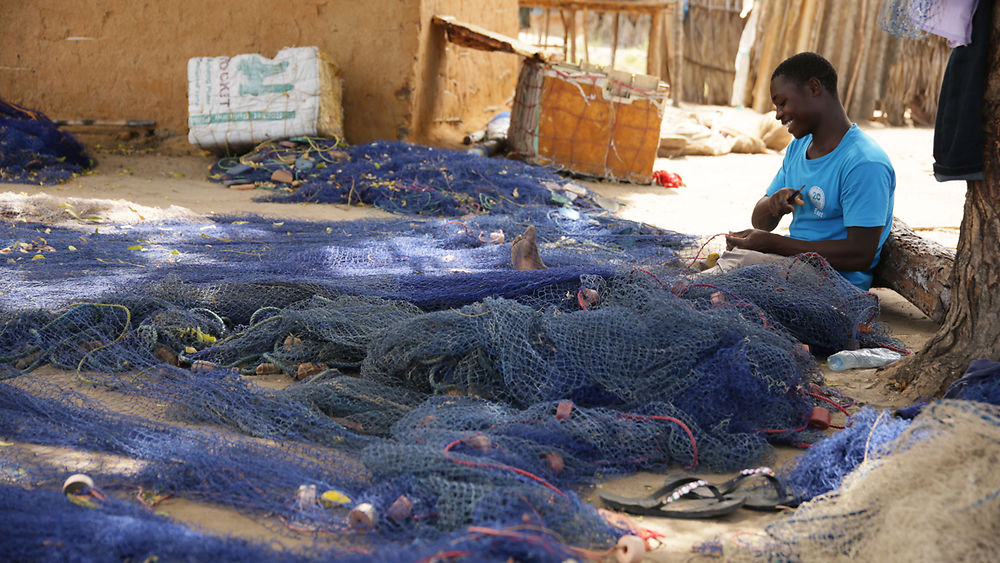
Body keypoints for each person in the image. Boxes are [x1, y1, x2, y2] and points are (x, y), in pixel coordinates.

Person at [724, 52, 895, 290]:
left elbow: (861, 254)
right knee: (720, 265)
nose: (778, 114)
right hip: (793, 267)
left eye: (782, 102)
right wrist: (773, 204)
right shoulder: (798, 148)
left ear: (814, 88)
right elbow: (761, 222)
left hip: (836, 285)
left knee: (735, 267)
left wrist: (773, 244)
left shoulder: (864, 162)